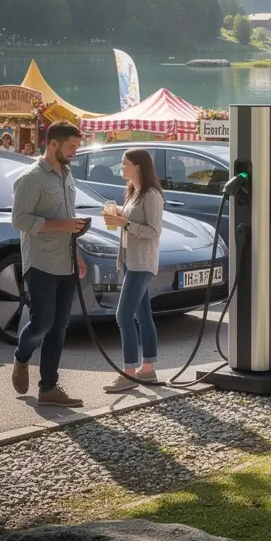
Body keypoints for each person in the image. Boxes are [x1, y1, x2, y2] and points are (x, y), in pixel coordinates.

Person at [10, 120, 88, 408]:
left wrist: (77, 252)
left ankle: (48, 388)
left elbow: (69, 219)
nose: (75, 152)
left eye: (77, 147)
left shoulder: (67, 175)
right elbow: (19, 220)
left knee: (59, 328)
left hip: (67, 261)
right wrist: (61, 225)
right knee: (42, 324)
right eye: (71, 146)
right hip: (41, 262)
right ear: (53, 144)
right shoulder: (30, 178)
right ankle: (21, 357)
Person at [102, 149, 165, 393]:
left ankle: (128, 373)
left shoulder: (151, 195)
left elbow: (154, 232)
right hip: (131, 261)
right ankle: (148, 369)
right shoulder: (133, 192)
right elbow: (132, 220)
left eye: (124, 163)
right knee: (142, 315)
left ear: (138, 166)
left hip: (142, 263)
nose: (121, 167)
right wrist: (119, 214)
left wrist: (124, 223)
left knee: (123, 316)